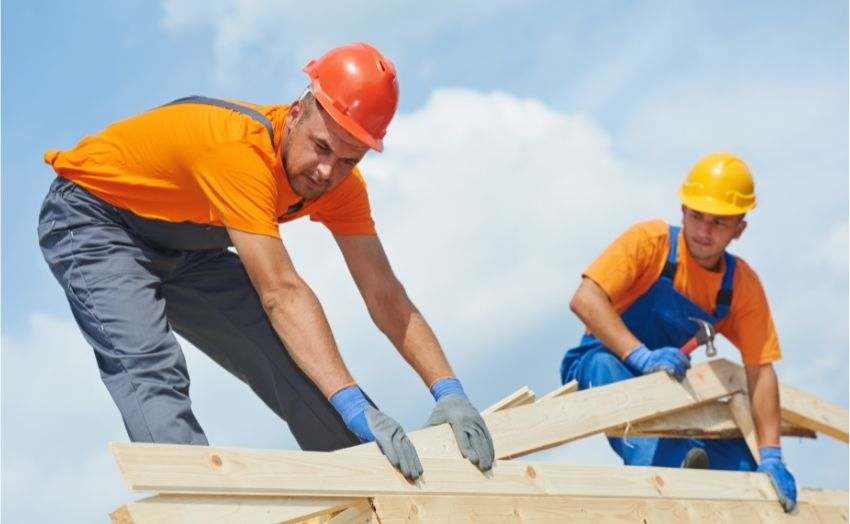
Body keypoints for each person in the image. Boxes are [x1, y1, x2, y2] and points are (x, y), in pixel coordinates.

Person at [38, 42, 494, 480]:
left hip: (188, 245)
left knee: (295, 361)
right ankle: (195, 504)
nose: (326, 171)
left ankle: (375, 491)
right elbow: (280, 291)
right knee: (151, 364)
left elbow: (384, 292)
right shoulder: (238, 152)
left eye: (347, 160)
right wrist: (357, 404)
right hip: (95, 219)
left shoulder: (341, 187)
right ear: (296, 114)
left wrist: (449, 390)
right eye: (321, 147)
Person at [559, 153, 797, 512]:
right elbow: (585, 298)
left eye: (719, 222)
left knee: (743, 467)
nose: (704, 231)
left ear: (739, 229)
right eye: (696, 216)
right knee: (607, 372)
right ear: (683, 209)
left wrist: (771, 454)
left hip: (671, 382)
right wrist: (640, 355)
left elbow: (760, 370)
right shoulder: (651, 242)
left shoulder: (740, 286)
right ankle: (670, 476)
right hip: (603, 362)